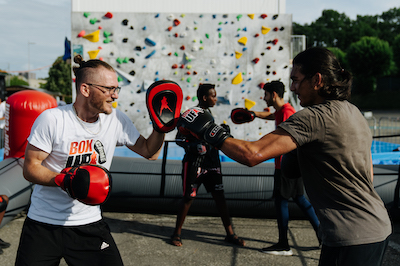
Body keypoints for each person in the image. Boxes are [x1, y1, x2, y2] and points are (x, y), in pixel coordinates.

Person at [178, 47, 392, 265]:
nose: (292, 88)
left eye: (296, 80)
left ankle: (283, 242)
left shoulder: (313, 117)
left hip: (350, 235)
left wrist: (209, 131)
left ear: (317, 80)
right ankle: (283, 241)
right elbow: (369, 175)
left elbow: (252, 154)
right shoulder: (353, 111)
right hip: (376, 226)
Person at [15, 55, 173, 265]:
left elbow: (149, 152)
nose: (115, 95)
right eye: (109, 89)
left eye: (117, 89)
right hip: (43, 225)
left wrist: (160, 128)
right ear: (85, 89)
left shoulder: (116, 120)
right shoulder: (53, 119)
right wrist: (66, 180)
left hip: (88, 224)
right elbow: (30, 168)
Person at [171, 83, 245, 247]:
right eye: (213, 95)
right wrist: (192, 146)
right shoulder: (190, 115)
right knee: (188, 198)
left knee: (220, 198)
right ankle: (176, 233)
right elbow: (178, 138)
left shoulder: (209, 114)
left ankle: (230, 234)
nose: (215, 98)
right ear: (205, 98)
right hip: (194, 162)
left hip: (212, 162)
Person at [252, 81, 320, 256]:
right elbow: (271, 116)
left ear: (273, 94)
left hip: (285, 166)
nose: (264, 98)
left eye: (266, 94)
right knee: (300, 199)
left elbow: (282, 140)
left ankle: (283, 244)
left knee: (281, 201)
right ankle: (322, 235)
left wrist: (258, 151)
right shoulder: (282, 111)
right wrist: (253, 114)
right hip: (292, 164)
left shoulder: (287, 112)